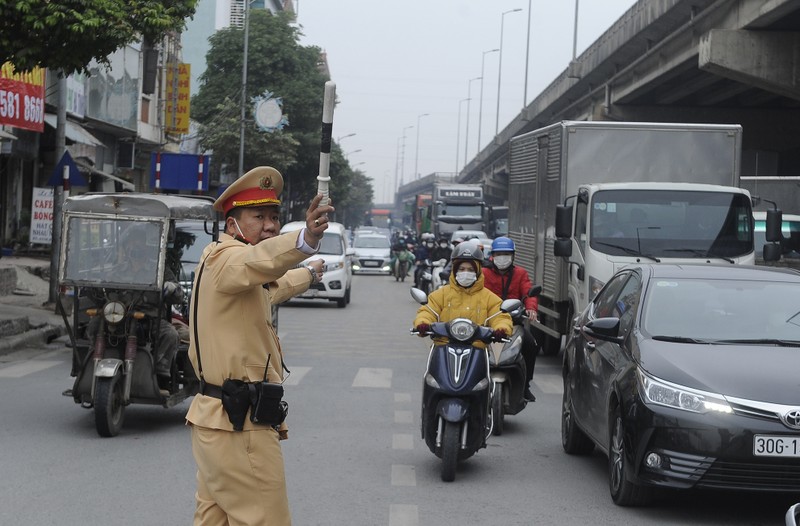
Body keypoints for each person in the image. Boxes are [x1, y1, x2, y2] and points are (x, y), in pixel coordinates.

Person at [186, 166, 333, 526]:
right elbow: (260, 261)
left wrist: (310, 273)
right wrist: (305, 238)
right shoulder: (228, 258)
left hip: (218, 424)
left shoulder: (230, 269)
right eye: (259, 216)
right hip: (240, 427)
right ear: (233, 221)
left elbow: (270, 288)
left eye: (273, 216)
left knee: (214, 520)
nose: (269, 225)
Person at [89, 225, 184, 378]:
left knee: (170, 334)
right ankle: (92, 362)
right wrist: (96, 283)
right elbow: (105, 287)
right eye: (131, 243)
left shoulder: (159, 269)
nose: (135, 247)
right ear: (126, 247)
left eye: (139, 243)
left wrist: (171, 288)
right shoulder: (118, 269)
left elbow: (179, 295)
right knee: (94, 325)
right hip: (120, 317)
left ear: (146, 246)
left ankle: (158, 370)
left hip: (150, 319)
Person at [413, 242, 512, 349]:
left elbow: (500, 316)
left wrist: (502, 328)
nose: (466, 272)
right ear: (455, 271)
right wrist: (423, 323)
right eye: (461, 269)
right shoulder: (440, 295)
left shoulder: (490, 298)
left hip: (477, 351)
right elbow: (427, 311)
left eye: (471, 270)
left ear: (478, 271)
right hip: (443, 348)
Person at [483, 237, 539, 402]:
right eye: (499, 254)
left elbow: (528, 293)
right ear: (492, 256)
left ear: (513, 256)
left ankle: (526, 384)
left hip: (514, 322)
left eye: (506, 254)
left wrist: (531, 308)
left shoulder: (520, 274)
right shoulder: (484, 273)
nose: (502, 257)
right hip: (488, 322)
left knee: (531, 345)